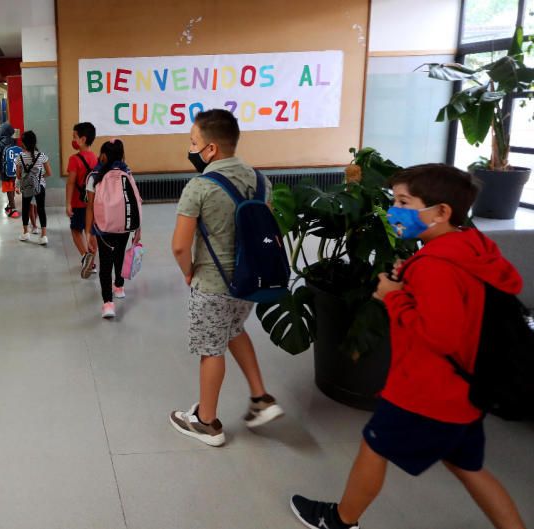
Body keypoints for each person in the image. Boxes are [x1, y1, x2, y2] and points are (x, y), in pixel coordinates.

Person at [290, 164, 527, 529]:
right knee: (468, 467)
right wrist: (413, 280)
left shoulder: (435, 266)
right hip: (465, 391)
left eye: (404, 201)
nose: (393, 210)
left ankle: (339, 520)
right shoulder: (469, 247)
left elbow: (440, 335)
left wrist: (393, 298)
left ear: (441, 212)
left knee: (374, 446)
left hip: (426, 392)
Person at [168, 109, 283, 447]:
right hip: (251, 282)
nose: (191, 149)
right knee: (234, 330)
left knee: (211, 349)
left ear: (212, 149)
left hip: (213, 285)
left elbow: (179, 246)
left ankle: (207, 422)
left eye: (193, 143)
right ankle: (261, 396)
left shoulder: (200, 186)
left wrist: (189, 272)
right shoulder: (262, 181)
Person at [84, 139, 140, 319]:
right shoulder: (127, 173)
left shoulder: (95, 176)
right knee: (120, 255)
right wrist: (138, 228)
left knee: (105, 263)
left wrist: (89, 233)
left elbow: (90, 207)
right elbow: (136, 201)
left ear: (104, 155)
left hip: (103, 227)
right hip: (124, 226)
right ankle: (119, 286)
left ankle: (108, 303)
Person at [67, 122, 98, 278]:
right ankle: (92, 263)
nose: (72, 140)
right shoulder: (96, 158)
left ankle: (86, 256)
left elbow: (71, 182)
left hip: (79, 203)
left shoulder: (74, 159)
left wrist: (68, 203)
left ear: (83, 139)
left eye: (74, 137)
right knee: (91, 231)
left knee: (75, 230)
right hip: (93, 204)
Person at [15, 130, 52, 245]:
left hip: (26, 187)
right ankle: (44, 235)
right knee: (41, 209)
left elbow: (18, 175)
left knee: (25, 208)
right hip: (40, 185)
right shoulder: (42, 156)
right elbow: (49, 173)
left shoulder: (20, 157)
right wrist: (39, 178)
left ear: (24, 144)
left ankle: (26, 233)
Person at [0, 122, 21, 218]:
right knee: (12, 187)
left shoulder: (0, 142)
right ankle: (10, 205)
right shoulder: (14, 140)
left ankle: (13, 209)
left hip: (4, 170)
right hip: (13, 169)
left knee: (8, 187)